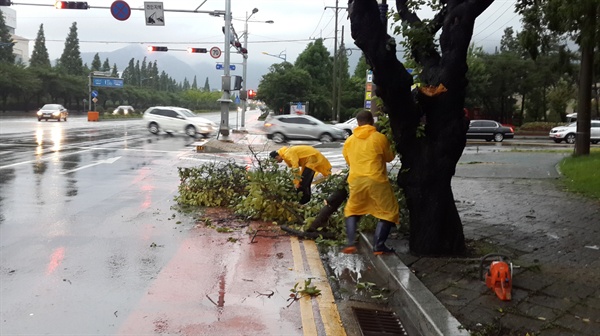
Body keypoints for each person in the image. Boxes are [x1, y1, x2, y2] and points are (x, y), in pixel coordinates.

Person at [342, 110, 399, 255]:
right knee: (388, 212)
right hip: (376, 179)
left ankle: (350, 243)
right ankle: (378, 246)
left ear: (357, 123)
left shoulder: (349, 141)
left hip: (356, 180)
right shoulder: (379, 138)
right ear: (371, 122)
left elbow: (348, 160)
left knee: (352, 210)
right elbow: (389, 157)